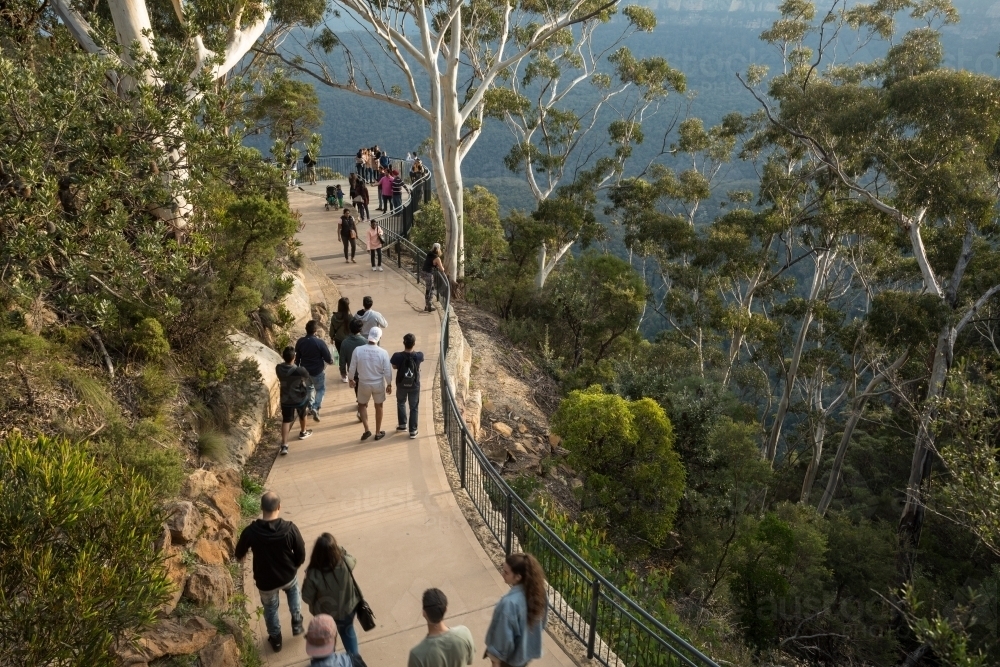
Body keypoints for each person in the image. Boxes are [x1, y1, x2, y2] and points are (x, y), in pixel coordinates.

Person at [234, 491, 306, 653]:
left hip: (266, 581)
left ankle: (276, 639)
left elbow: (239, 552)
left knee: (270, 608)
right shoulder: (290, 529)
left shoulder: (251, 532)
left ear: (261, 507)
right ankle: (296, 621)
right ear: (279, 507)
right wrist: (293, 566)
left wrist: (242, 556)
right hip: (288, 575)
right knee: (293, 592)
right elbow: (301, 552)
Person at [302, 533, 362, 657]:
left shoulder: (313, 573)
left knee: (327, 639)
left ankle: (329, 661)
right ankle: (355, 662)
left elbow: (306, 597)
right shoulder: (345, 563)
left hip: (325, 615)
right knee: (348, 632)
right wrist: (338, 549)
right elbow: (353, 559)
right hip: (348, 610)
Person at [484, 554, 548, 667]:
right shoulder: (540, 593)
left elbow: (503, 637)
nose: (502, 574)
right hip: (524, 655)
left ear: (518, 577)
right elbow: (542, 623)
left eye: (506, 572)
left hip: (508, 660)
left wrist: (495, 660)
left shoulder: (509, 603)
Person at [407, 588, 475, 667]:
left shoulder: (417, 655)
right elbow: (469, 660)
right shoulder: (464, 634)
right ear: (446, 610)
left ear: (424, 613)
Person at [348, 326, 392, 441]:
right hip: (378, 383)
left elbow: (352, 366)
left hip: (363, 383)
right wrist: (389, 384)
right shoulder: (383, 352)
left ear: (368, 336)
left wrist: (351, 379)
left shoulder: (358, 350)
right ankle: (378, 432)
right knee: (379, 406)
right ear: (379, 337)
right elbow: (387, 370)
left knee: (362, 405)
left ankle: (367, 429)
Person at [276, 346, 313, 454]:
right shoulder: (299, 370)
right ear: (294, 357)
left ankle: (284, 445)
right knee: (303, 414)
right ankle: (303, 432)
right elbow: (306, 377)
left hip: (285, 398)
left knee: (286, 420)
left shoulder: (278, 368)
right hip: (299, 397)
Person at [295, 320, 334, 421]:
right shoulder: (319, 342)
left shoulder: (300, 342)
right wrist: (330, 361)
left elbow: (297, 358)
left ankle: (311, 406)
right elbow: (327, 357)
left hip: (305, 371)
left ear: (306, 330)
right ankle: (316, 407)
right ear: (316, 330)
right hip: (317, 371)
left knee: (309, 389)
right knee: (320, 389)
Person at [390, 333, 424, 438]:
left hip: (401, 384)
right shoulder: (419, 355)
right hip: (414, 385)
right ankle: (413, 430)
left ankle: (402, 425)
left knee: (401, 403)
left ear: (403, 343)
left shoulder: (397, 356)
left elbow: (394, 366)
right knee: (414, 407)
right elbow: (420, 362)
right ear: (414, 343)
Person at [339, 318, 367, 419]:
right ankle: (362, 407)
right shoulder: (365, 341)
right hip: (364, 372)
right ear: (360, 329)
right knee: (363, 390)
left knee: (357, 390)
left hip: (353, 372)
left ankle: (361, 405)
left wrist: (343, 372)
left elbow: (342, 359)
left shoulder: (345, 342)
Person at [329, 298, 354, 382]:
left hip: (338, 341)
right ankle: (351, 373)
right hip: (349, 341)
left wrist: (332, 337)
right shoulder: (350, 317)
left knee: (341, 358)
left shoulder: (334, 317)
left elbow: (332, 329)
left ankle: (343, 375)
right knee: (350, 357)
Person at [422, 243, 446, 312]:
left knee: (428, 289)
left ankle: (427, 305)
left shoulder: (429, 254)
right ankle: (429, 305)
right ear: (439, 249)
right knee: (431, 289)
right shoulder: (437, 258)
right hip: (429, 274)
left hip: (423, 272)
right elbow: (442, 269)